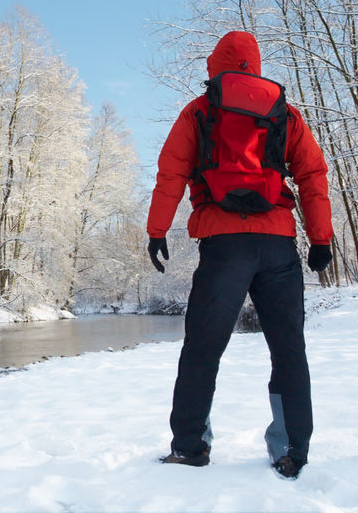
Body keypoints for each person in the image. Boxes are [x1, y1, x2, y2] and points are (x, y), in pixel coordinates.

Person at [147, 31, 333, 480]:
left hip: (223, 244)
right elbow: (311, 173)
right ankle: (292, 451)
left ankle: (190, 447)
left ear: (215, 65)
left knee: (202, 350)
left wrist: (157, 229)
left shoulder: (199, 110)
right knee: (288, 350)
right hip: (277, 246)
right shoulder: (283, 112)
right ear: (256, 64)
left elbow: (171, 170)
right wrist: (321, 238)